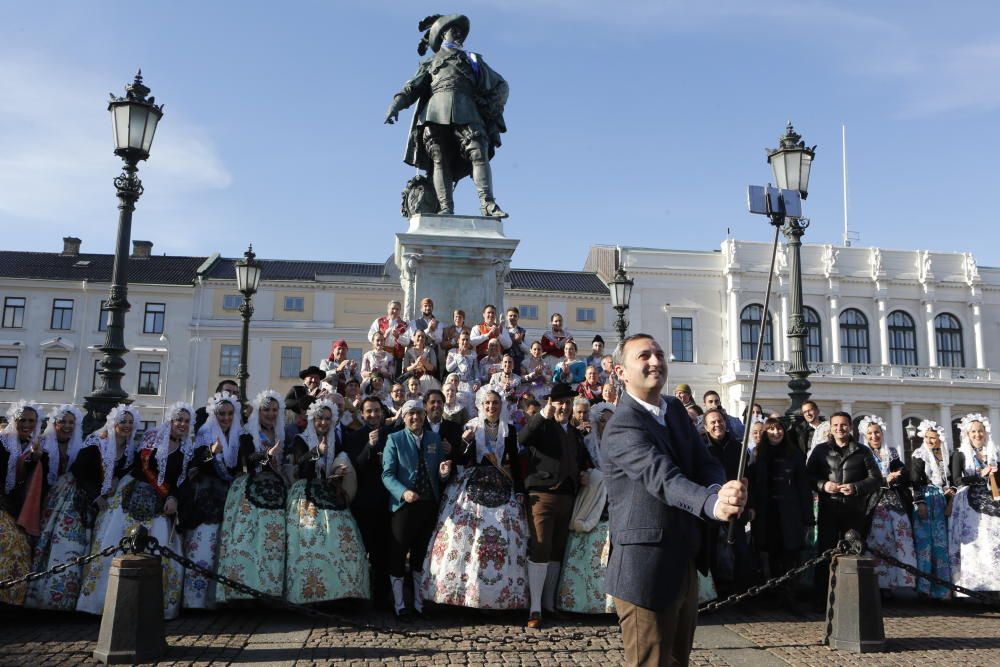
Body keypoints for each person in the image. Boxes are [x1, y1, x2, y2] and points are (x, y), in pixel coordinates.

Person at [603, 334, 745, 666]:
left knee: (679, 660)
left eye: (659, 354)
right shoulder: (622, 425)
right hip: (645, 568)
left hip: (685, 557)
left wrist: (719, 488)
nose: (655, 361)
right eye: (644, 356)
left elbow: (704, 461)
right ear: (621, 372)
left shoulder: (676, 411)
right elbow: (663, 478)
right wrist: (712, 503)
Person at [385, 13, 509, 218]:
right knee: (439, 159)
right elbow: (411, 88)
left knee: (478, 152)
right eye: (454, 29)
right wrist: (396, 105)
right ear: (443, 34)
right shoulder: (430, 62)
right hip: (435, 112)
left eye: (461, 30)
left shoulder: (474, 60)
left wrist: (490, 104)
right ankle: (445, 208)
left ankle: (487, 203)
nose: (459, 33)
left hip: (467, 110)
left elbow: (501, 85)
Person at [80, 403, 195, 619]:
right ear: (170, 421)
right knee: (116, 542)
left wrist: (173, 497)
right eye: (179, 419)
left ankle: (152, 606)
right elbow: (138, 465)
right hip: (132, 494)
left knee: (159, 546)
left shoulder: (187, 449)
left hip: (160, 505)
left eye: (187, 421)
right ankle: (104, 602)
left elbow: (182, 481)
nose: (182, 424)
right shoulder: (152, 438)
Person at [422, 388, 527, 609]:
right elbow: (460, 458)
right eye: (487, 403)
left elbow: (515, 461)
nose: (491, 407)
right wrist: (465, 442)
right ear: (481, 405)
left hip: (502, 484)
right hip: (473, 482)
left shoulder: (509, 430)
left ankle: (503, 595)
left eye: (495, 404)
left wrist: (519, 489)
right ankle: (462, 592)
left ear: (501, 406)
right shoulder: (471, 426)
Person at [517, 382, 593, 629]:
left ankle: (549, 605)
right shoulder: (543, 425)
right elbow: (524, 438)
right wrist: (542, 414)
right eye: (560, 403)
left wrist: (584, 473)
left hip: (567, 496)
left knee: (557, 550)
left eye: (568, 403)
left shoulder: (574, 432)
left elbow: (582, 460)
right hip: (542, 495)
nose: (564, 407)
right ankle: (535, 608)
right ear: (552, 404)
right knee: (540, 547)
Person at [286, 399, 370, 604]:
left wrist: (338, 471)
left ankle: (340, 591)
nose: (323, 423)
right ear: (312, 420)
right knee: (310, 539)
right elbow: (301, 469)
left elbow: (338, 463)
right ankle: (310, 593)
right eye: (319, 419)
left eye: (326, 419)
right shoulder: (300, 439)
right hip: (306, 494)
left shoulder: (335, 440)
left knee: (342, 537)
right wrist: (317, 453)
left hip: (330, 491)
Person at [382, 400, 454, 620]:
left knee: (421, 555)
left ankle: (419, 602)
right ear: (404, 417)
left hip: (428, 504)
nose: (415, 418)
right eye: (411, 414)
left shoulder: (434, 438)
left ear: (424, 415)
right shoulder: (394, 439)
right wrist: (403, 492)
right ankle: (400, 603)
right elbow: (387, 474)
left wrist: (443, 472)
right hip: (404, 505)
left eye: (419, 414)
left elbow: (441, 474)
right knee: (398, 553)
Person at [215, 390, 288, 603]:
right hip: (251, 489)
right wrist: (266, 456)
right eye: (266, 409)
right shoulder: (248, 433)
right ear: (257, 411)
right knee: (249, 539)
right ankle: (245, 589)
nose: (271, 414)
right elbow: (247, 459)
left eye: (274, 410)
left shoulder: (281, 432)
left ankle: (272, 588)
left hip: (278, 489)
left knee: (274, 541)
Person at [806, 411, 882, 603]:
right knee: (826, 552)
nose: (840, 429)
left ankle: (853, 598)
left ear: (850, 427)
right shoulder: (821, 450)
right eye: (836, 425)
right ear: (830, 428)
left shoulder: (862, 451)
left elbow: (876, 479)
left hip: (854, 509)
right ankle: (821, 598)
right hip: (829, 507)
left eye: (843, 425)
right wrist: (823, 485)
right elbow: (808, 476)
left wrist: (855, 487)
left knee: (854, 551)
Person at [73, 405, 140, 613]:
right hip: (85, 492)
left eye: (130, 422)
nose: (127, 426)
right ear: (114, 424)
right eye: (123, 422)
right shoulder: (98, 442)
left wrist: (117, 477)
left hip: (110, 497)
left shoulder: (129, 447)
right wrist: (96, 495)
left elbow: (130, 467)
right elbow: (79, 471)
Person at [178, 391, 241, 609]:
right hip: (205, 501)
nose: (226, 418)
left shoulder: (236, 435)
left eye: (230, 414)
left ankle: (215, 600)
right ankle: (194, 601)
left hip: (225, 498)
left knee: (219, 550)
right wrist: (211, 453)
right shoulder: (205, 432)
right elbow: (195, 467)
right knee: (202, 547)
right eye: (221, 414)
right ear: (214, 415)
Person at [556, 401, 615, 614]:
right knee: (587, 552)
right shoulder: (586, 442)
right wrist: (584, 474)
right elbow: (578, 464)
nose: (607, 425)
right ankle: (582, 601)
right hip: (591, 502)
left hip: (614, 503)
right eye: (603, 421)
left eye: (610, 421)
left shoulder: (621, 443)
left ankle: (611, 603)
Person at [749, 417, 812, 604]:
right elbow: (752, 484)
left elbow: (803, 487)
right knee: (770, 555)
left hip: (789, 513)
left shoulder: (795, 455)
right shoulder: (757, 454)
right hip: (767, 513)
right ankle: (772, 593)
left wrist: (808, 517)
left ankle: (789, 594)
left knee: (790, 555)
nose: (776, 433)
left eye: (779, 429)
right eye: (771, 429)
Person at [342, 397, 394, 609]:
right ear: (362, 414)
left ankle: (382, 598)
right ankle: (359, 596)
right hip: (363, 504)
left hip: (386, 502)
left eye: (376, 411)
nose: (373, 415)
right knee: (362, 551)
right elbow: (356, 467)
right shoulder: (354, 437)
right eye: (369, 412)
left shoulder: (392, 435)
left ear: (382, 413)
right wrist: (369, 446)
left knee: (383, 553)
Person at [859, 415, 917, 592]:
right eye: (870, 434)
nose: (874, 436)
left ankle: (893, 582)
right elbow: (862, 479)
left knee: (898, 539)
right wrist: (885, 480)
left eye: (877, 432)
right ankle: (877, 584)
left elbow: (904, 474)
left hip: (894, 502)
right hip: (875, 502)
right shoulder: (862, 454)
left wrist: (899, 474)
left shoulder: (891, 453)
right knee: (877, 541)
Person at [703, 407, 755, 597]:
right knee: (712, 552)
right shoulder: (702, 448)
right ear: (706, 427)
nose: (718, 425)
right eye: (713, 422)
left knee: (739, 551)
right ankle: (716, 594)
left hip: (736, 507)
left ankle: (741, 593)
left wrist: (749, 507)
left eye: (720, 421)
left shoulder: (738, 449)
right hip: (711, 507)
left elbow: (749, 480)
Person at [948, 413, 1000, 594]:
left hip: (993, 502)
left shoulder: (993, 452)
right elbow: (956, 479)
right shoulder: (959, 454)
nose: (978, 435)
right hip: (968, 504)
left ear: (986, 433)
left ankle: (995, 585)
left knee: (993, 542)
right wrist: (979, 475)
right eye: (973, 432)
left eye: (980, 431)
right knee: (974, 545)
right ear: (967, 435)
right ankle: (973, 587)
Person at [17, 404, 85, 543]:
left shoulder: (78, 446)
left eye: (71, 422)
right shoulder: (41, 442)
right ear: (54, 424)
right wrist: (35, 457)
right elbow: (26, 466)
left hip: (67, 499)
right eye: (62, 422)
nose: (67, 426)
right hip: (42, 494)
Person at [0, 400, 42, 606]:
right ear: (13, 421)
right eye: (22, 420)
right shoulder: (2, 441)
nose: (27, 424)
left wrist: (35, 459)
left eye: (31, 421)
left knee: (20, 547)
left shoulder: (33, 447)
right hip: (2, 504)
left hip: (11, 506)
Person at [909, 420, 953, 599]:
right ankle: (924, 588)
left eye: (933, 438)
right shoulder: (920, 455)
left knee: (941, 546)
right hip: (927, 500)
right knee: (925, 544)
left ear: (940, 439)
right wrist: (920, 502)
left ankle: (942, 589)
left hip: (942, 502)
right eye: (927, 437)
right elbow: (915, 480)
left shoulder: (946, 455)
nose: (930, 441)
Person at [368, 300, 410, 376]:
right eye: (393, 308)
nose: (395, 311)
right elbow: (370, 336)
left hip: (397, 356)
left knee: (395, 378)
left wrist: (398, 337)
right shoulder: (379, 321)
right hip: (380, 354)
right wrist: (383, 337)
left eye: (397, 309)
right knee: (379, 376)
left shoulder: (405, 325)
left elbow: (407, 341)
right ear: (388, 309)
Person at [424, 389, 463, 464]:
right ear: (425, 406)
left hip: (448, 473)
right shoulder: (418, 427)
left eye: (439, 402)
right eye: (432, 402)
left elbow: (461, 458)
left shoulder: (455, 427)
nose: (436, 405)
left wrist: (451, 450)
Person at [402, 328, 440, 393]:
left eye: (423, 337)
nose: (420, 338)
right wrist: (415, 364)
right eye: (418, 336)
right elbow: (405, 369)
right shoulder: (409, 351)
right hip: (412, 379)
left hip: (427, 379)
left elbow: (434, 369)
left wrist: (425, 363)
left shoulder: (430, 351)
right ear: (414, 338)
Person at [446, 330, 480, 395]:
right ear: (458, 340)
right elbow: (448, 369)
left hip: (469, 384)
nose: (465, 342)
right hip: (455, 383)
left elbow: (476, 371)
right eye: (463, 339)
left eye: (467, 340)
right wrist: (459, 356)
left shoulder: (473, 354)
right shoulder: (452, 352)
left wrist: (477, 382)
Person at [505, 307, 527, 373]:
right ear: (507, 317)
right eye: (510, 316)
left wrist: (520, 342)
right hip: (505, 363)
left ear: (518, 317)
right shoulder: (503, 330)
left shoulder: (523, 332)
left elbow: (529, 350)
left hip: (519, 363)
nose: (513, 317)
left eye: (515, 316)